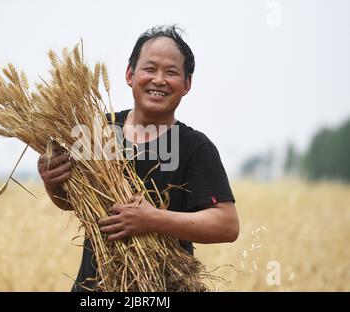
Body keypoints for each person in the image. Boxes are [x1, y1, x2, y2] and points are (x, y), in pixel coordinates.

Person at [37, 25, 239, 292]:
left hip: (164, 288)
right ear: (130, 75)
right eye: (149, 68)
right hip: (94, 289)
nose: (159, 79)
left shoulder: (195, 147)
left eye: (171, 72)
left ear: (186, 84)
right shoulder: (98, 132)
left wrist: (152, 219)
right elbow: (72, 203)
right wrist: (52, 183)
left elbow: (227, 225)